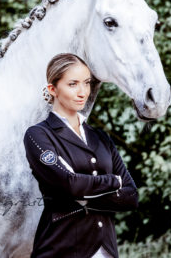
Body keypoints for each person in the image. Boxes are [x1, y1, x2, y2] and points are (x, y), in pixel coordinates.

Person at [23, 53, 139, 258]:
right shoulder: (38, 135)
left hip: (106, 250)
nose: (82, 92)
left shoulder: (100, 138)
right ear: (53, 89)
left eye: (86, 83)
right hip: (60, 248)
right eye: (73, 84)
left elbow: (131, 196)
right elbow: (70, 184)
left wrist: (81, 198)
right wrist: (114, 181)